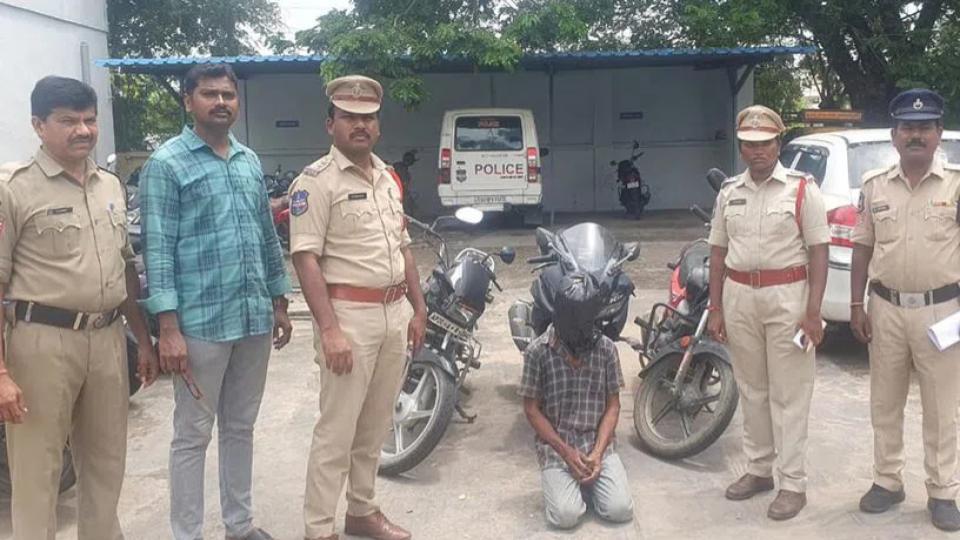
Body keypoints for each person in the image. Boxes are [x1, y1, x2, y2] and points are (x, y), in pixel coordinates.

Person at [139, 63, 292, 540]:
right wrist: (168, 328)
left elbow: (266, 235)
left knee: (240, 426)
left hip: (251, 318)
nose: (221, 102)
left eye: (228, 94)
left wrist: (279, 299)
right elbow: (158, 250)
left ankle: (239, 526)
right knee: (192, 435)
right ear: (189, 101)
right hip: (199, 326)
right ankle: (187, 533)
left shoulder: (247, 160)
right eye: (209, 94)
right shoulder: (167, 164)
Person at [0, 75, 157, 540]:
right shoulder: (13, 189)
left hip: (107, 339)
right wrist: (2, 373)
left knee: (107, 464)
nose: (83, 130)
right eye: (68, 121)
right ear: (38, 125)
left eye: (89, 120)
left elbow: (124, 268)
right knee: (37, 471)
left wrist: (143, 340)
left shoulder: (109, 186)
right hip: (42, 343)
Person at [290, 75, 427, 540]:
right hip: (348, 317)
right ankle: (318, 529)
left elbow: (404, 247)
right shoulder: (315, 183)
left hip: (393, 314)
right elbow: (305, 259)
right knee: (337, 431)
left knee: (374, 426)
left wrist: (419, 308)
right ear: (330, 124)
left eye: (368, 118)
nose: (360, 125)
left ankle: (362, 511)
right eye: (349, 117)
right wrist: (330, 330)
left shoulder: (388, 178)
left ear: (379, 126)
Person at [707, 105, 829, 520]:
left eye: (765, 143)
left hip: (787, 297)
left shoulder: (801, 189)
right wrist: (715, 307)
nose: (757, 151)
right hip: (740, 296)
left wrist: (813, 312)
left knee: (789, 394)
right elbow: (718, 251)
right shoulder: (729, 192)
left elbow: (819, 251)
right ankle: (759, 470)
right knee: (752, 389)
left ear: (778, 143)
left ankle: (792, 483)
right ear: (740, 147)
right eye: (749, 144)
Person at [850, 88, 960, 532]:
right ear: (894, 136)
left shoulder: (956, 184)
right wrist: (856, 305)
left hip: (943, 311)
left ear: (939, 134)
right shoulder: (875, 185)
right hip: (886, 309)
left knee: (942, 407)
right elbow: (862, 246)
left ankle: (943, 491)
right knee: (885, 401)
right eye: (908, 128)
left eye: (925, 127)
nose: (916, 135)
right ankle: (887, 480)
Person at [518, 273, 634, 530]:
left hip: (597, 443)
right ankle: (570, 484)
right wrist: (566, 453)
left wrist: (598, 453)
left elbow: (613, 406)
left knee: (620, 510)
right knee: (565, 516)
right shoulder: (538, 352)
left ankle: (587, 480)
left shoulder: (606, 349)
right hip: (557, 447)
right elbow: (531, 409)